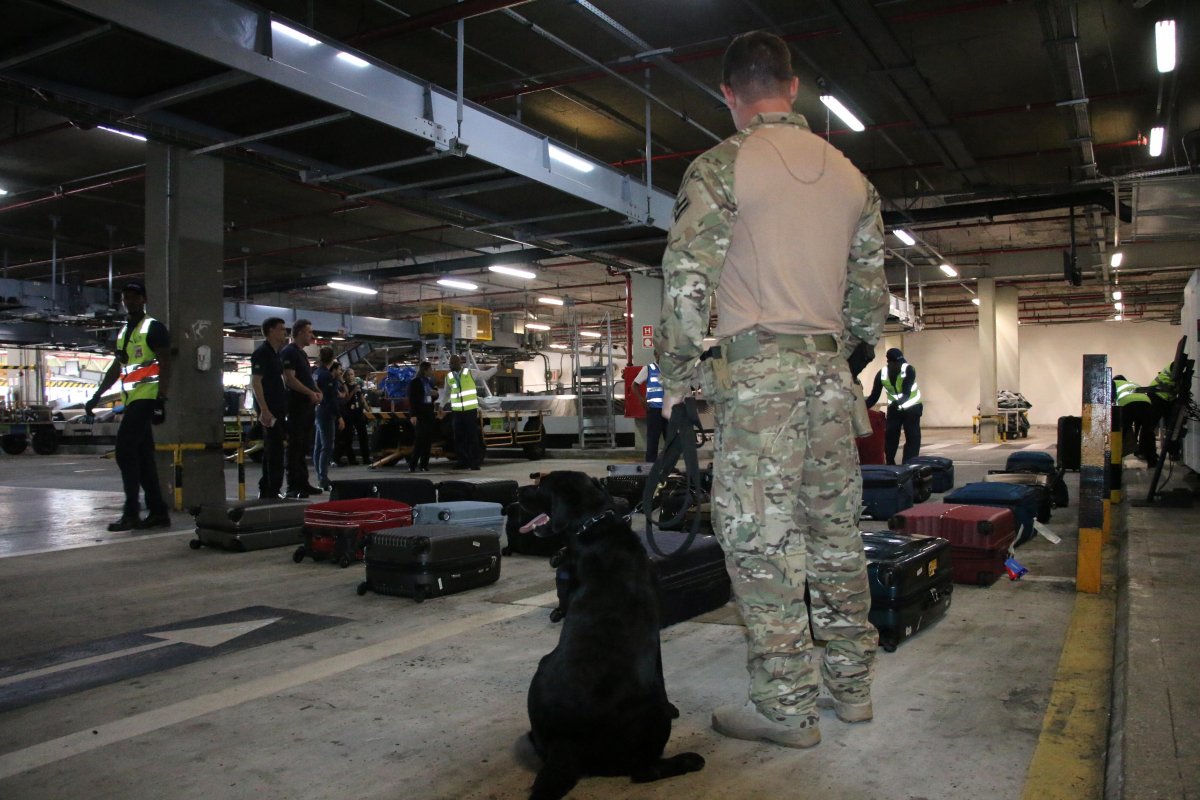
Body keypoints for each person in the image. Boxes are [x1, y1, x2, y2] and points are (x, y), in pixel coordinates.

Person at [656, 31, 888, 749]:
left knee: (761, 541)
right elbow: (869, 305)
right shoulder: (854, 178)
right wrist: (835, 351)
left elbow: (687, 283)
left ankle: (786, 709)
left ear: (729, 95)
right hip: (828, 380)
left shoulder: (721, 167)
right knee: (836, 535)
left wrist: (681, 376)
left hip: (759, 383)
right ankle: (852, 689)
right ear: (793, 89)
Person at [85, 281, 174, 531]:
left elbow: (166, 362)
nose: (129, 301)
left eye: (134, 297)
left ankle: (131, 512)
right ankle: (158, 512)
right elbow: (118, 367)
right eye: (126, 298)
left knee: (125, 451)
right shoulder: (125, 332)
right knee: (144, 457)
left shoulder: (153, 328)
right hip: (132, 400)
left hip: (147, 399)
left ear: (144, 300)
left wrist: (161, 399)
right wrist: (97, 395)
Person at [280, 319, 323, 498]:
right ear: (299, 333)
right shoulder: (289, 352)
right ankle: (293, 486)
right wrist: (309, 393)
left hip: (306, 406)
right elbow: (289, 379)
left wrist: (317, 390)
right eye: (308, 332)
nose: (312, 335)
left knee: (303, 445)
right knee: (295, 446)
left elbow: (307, 378)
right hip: (296, 406)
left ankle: (303, 482)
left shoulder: (302, 354)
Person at [250, 317, 288, 499]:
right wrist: (264, 409)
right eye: (281, 329)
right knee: (274, 450)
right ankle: (272, 489)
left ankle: (268, 486)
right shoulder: (262, 353)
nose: (284, 332)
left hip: (278, 407)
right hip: (269, 409)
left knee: (274, 448)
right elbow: (256, 382)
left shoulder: (276, 353)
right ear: (271, 331)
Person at [437, 354, 497, 470]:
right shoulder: (449, 377)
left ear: (460, 363)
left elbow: (486, 375)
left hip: (470, 411)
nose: (451, 365)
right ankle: (463, 462)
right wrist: (441, 405)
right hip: (457, 412)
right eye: (450, 363)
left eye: (453, 363)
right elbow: (446, 393)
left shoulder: (470, 373)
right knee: (459, 438)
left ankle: (474, 463)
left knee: (471, 438)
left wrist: (497, 367)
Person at [865, 348, 923, 465]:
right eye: (898, 362)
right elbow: (874, 397)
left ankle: (908, 464)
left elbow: (906, 393)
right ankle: (890, 462)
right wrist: (862, 408)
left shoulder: (909, 369)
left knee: (913, 436)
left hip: (912, 407)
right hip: (895, 409)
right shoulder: (882, 374)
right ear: (890, 362)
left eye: (902, 362)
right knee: (891, 435)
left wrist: (895, 404)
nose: (901, 365)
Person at [311, 349, 345, 492]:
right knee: (327, 446)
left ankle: (320, 476)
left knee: (318, 446)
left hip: (318, 410)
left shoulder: (316, 373)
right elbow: (331, 399)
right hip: (326, 412)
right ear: (333, 358)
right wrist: (339, 416)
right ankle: (323, 478)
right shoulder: (326, 376)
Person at [632, 362, 667, 462]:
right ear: (656, 355)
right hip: (654, 410)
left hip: (669, 410)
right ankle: (651, 465)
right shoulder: (648, 369)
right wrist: (641, 399)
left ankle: (669, 465)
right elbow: (634, 385)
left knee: (670, 439)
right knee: (653, 439)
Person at [336, 367, 370, 466]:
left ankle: (366, 458)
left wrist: (368, 410)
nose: (350, 376)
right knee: (348, 437)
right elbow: (345, 400)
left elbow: (362, 398)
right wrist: (352, 391)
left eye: (352, 374)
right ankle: (352, 459)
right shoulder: (344, 386)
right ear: (345, 376)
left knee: (363, 436)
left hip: (358, 413)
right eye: (348, 375)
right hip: (348, 414)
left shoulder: (357, 385)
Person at [407, 361, 437, 472]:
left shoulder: (430, 382)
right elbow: (412, 399)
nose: (432, 371)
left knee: (428, 440)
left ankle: (424, 465)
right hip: (420, 414)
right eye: (430, 369)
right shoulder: (415, 383)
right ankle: (412, 464)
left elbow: (433, 395)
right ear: (425, 370)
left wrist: (436, 394)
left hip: (428, 413)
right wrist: (413, 415)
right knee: (420, 440)